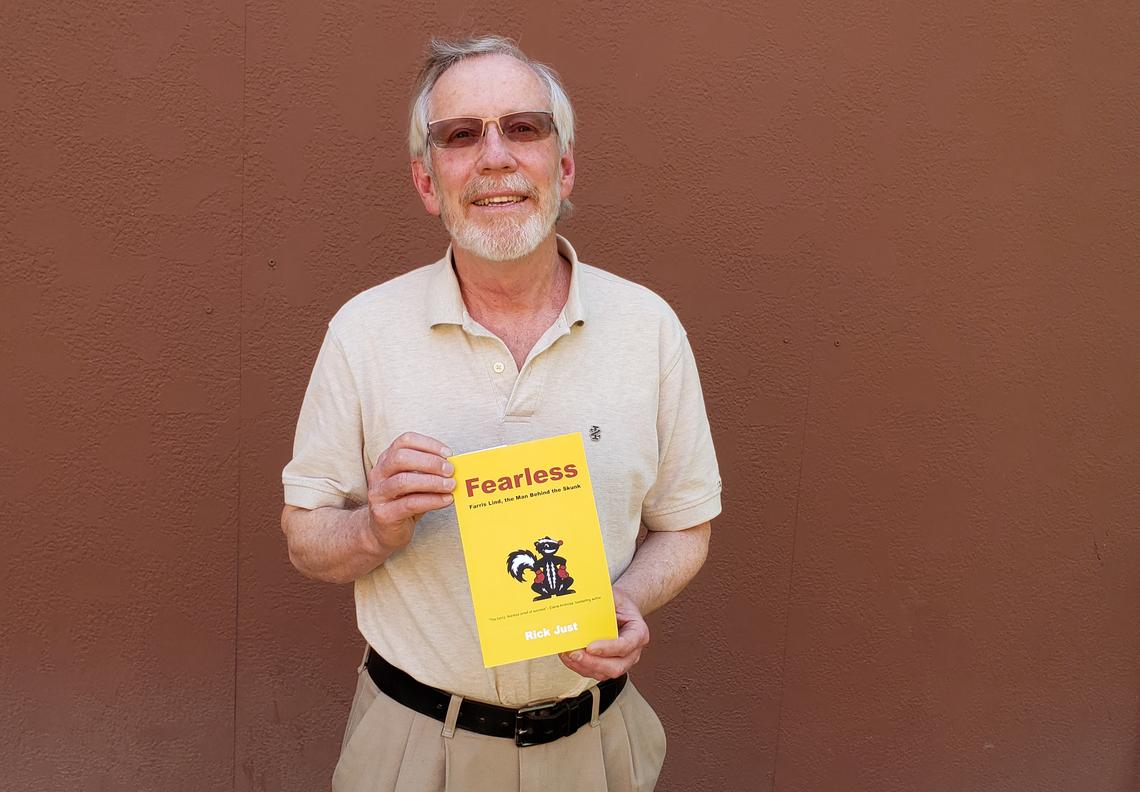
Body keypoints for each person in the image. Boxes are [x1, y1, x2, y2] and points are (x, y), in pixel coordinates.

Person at [281, 35, 721, 792]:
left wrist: (624, 601)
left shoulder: (649, 328)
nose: (495, 158)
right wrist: (371, 527)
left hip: (594, 745)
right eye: (460, 136)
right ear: (428, 180)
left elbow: (686, 525)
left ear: (564, 164)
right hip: (413, 749)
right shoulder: (362, 331)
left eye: (524, 128)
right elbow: (304, 537)